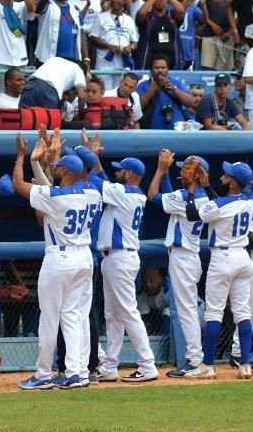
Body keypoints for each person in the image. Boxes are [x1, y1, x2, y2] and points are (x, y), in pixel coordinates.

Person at [11, 140, 94, 390]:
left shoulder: (56, 195)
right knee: (72, 316)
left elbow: (17, 185)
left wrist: (22, 156)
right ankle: (75, 372)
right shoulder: (87, 194)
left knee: (49, 318)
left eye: (59, 167)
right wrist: (38, 163)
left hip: (60, 259)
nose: (56, 169)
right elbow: (51, 191)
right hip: (83, 258)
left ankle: (43, 374)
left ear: (67, 172)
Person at [88, 155, 156, 382]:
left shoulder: (125, 194)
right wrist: (94, 155)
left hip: (120, 258)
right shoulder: (128, 194)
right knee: (113, 314)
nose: (116, 173)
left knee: (126, 311)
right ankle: (109, 365)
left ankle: (147, 364)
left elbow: (98, 181)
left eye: (120, 171)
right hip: (115, 258)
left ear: (129, 174)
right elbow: (104, 179)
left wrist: (86, 153)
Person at [185, 161, 253, 379]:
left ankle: (206, 365)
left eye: (227, 175)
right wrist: (206, 187)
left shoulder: (221, 203)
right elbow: (220, 205)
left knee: (214, 312)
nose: (222, 176)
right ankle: (245, 365)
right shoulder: (248, 201)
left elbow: (192, 214)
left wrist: (190, 189)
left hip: (223, 259)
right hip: (243, 257)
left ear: (234, 182)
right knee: (242, 312)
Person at [146, 150, 207, 377]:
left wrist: (161, 170)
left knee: (186, 311)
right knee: (186, 310)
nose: (184, 172)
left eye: (188, 170)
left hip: (183, 258)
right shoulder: (193, 196)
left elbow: (153, 194)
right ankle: (195, 360)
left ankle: (195, 361)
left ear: (199, 175)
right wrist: (169, 173)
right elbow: (169, 195)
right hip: (186, 258)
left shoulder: (188, 197)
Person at [20, 55, 87, 112]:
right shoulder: (78, 70)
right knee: (47, 124)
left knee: (25, 121)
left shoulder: (54, 59)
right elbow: (81, 96)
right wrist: (80, 115)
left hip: (30, 85)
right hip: (49, 92)